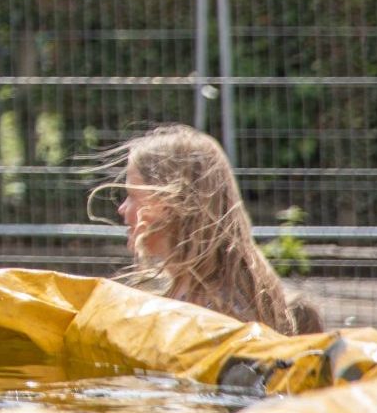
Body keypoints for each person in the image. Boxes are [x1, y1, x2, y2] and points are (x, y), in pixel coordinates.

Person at [101, 124, 324, 335]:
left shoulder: (214, 313)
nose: (122, 208)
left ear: (169, 205)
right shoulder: (196, 295)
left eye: (132, 196)